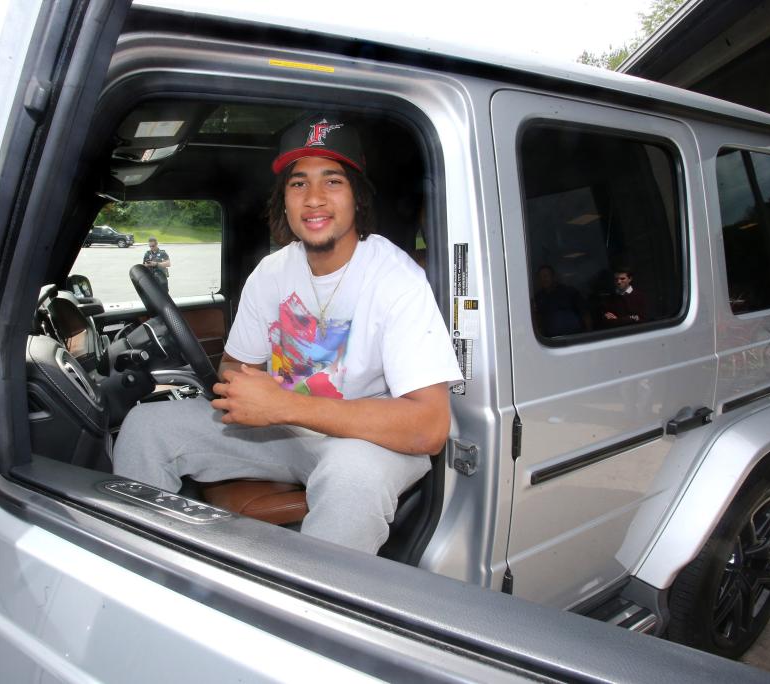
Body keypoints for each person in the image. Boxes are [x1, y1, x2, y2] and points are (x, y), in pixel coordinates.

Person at [113, 114, 462, 554]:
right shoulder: (273, 272)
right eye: (299, 184)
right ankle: (139, 562)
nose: (314, 198)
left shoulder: (395, 280)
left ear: (357, 195)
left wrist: (283, 404)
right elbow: (237, 366)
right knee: (146, 426)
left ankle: (314, 611)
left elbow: (429, 426)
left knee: (352, 478)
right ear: (284, 199)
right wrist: (248, 390)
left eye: (332, 181)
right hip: (284, 431)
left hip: (366, 441)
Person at [532, 265, 590, 337]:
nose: (543, 279)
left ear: (554, 277)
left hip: (575, 338)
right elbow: (538, 320)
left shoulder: (569, 292)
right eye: (540, 277)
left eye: (546, 276)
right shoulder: (538, 298)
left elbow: (585, 314)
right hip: (550, 342)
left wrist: (589, 334)